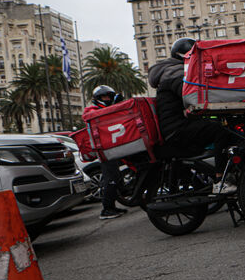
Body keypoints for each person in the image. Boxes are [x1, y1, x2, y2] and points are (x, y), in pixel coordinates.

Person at [148, 37, 237, 195]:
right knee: (220, 131)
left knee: (217, 128)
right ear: (185, 56)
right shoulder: (174, 72)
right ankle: (219, 181)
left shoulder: (171, 71)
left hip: (176, 126)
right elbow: (191, 96)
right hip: (177, 130)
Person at [83, 85, 128, 220]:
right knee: (110, 178)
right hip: (103, 149)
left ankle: (113, 206)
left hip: (112, 146)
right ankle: (106, 209)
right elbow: (94, 117)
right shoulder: (91, 110)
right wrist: (113, 106)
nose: (107, 99)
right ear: (97, 99)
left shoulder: (105, 109)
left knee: (116, 176)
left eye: (109, 96)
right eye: (104, 97)